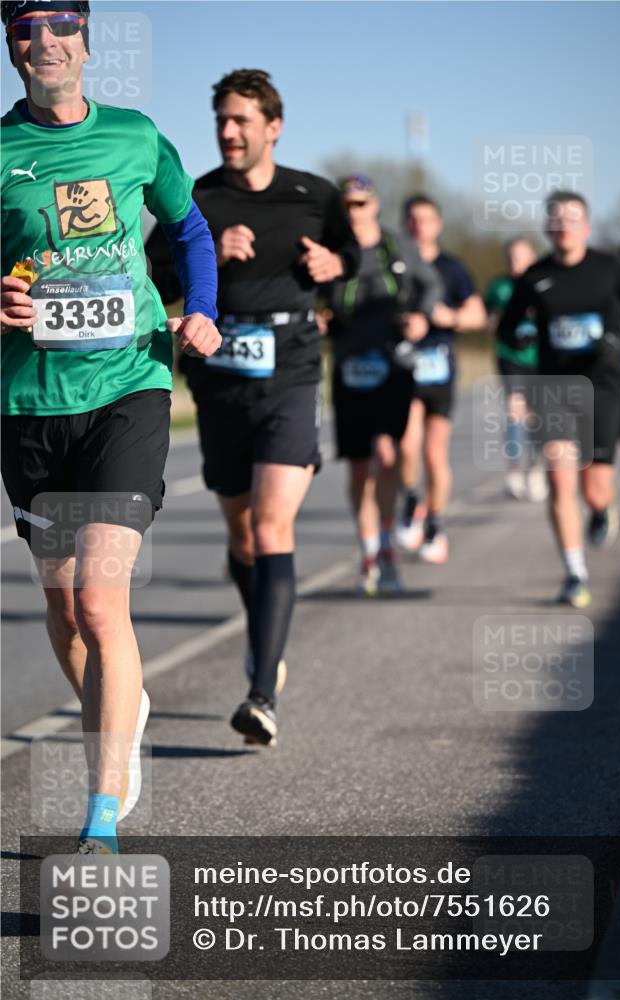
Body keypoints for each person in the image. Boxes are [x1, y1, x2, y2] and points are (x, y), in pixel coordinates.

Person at [0, 1, 221, 853]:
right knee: (66, 617)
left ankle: (100, 819)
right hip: (30, 404)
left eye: (61, 27)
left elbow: (189, 226)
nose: (46, 43)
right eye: (27, 29)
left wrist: (201, 309)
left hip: (130, 385)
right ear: (12, 47)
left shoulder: (135, 136)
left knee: (100, 601)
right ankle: (124, 710)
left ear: (86, 43)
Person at [146, 70, 359, 746]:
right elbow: (151, 276)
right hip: (219, 379)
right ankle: (262, 637)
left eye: (241, 119)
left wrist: (335, 267)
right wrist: (212, 256)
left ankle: (261, 693)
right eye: (221, 119)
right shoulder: (197, 197)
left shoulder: (313, 193)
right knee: (242, 535)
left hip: (291, 370)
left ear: (274, 126)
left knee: (271, 528)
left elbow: (354, 254)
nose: (228, 131)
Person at [498, 191, 620, 608]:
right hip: (554, 387)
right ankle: (574, 573)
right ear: (547, 227)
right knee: (559, 476)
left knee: (595, 488)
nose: (563, 224)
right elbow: (507, 328)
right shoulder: (534, 276)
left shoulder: (609, 267)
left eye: (572, 217)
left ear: (586, 226)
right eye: (556, 218)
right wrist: (521, 339)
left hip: (603, 386)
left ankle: (602, 509)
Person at [319, 177, 441, 593]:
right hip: (349, 364)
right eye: (346, 205)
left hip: (392, 362)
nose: (354, 212)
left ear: (374, 205)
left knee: (388, 454)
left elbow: (431, 283)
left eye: (361, 204)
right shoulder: (331, 247)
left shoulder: (396, 245)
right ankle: (369, 550)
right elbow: (310, 291)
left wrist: (422, 316)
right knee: (358, 468)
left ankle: (388, 547)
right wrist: (319, 315)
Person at [397, 195, 487, 563]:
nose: (419, 226)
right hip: (403, 367)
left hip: (439, 369)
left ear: (438, 225)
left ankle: (435, 523)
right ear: (404, 224)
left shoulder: (452, 268)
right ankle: (411, 498)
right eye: (412, 219)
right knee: (406, 446)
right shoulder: (395, 264)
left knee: (435, 454)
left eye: (426, 219)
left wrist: (446, 318)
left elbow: (477, 316)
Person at [484, 238, 548, 502]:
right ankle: (514, 471)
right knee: (514, 409)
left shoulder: (543, 282)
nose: (515, 262)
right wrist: (497, 323)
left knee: (536, 415)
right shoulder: (499, 286)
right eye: (510, 257)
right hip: (510, 355)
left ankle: (535, 468)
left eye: (520, 257)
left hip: (539, 357)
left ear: (532, 257)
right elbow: (485, 315)